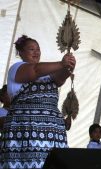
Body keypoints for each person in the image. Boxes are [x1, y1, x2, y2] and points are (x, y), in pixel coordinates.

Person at [0, 35, 76, 168]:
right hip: (26, 129)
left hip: (53, 132)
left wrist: (68, 67)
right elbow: (35, 70)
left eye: (38, 49)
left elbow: (59, 79)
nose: (36, 52)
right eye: (31, 49)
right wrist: (61, 64)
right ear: (21, 53)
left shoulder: (47, 71)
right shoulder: (17, 68)